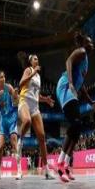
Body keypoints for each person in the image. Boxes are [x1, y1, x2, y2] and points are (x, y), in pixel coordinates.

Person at [56, 32, 95, 183]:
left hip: (72, 88)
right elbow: (68, 61)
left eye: (92, 43)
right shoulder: (81, 51)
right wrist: (70, 83)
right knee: (75, 124)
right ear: (83, 44)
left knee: (77, 128)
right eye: (89, 42)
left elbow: (82, 85)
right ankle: (60, 165)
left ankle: (66, 165)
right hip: (65, 86)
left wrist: (91, 101)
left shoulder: (86, 61)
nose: (91, 45)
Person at [17, 52, 55, 180]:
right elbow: (21, 84)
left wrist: (46, 100)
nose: (37, 60)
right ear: (30, 61)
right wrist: (32, 73)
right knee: (27, 121)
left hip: (34, 106)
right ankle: (20, 139)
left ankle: (47, 170)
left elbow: (37, 94)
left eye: (38, 59)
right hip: (24, 101)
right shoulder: (28, 70)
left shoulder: (38, 76)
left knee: (42, 137)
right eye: (35, 59)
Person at [0, 70, 20, 180]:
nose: (3, 79)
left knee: (14, 144)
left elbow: (16, 99)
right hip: (3, 122)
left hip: (12, 118)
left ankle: (19, 171)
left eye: (4, 77)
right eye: (1, 77)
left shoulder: (8, 87)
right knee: (0, 148)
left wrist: (15, 94)